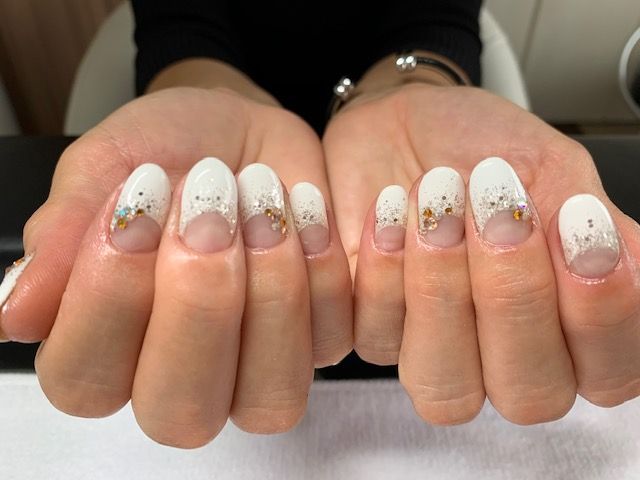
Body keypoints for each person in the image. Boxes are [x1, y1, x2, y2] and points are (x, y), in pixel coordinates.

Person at [0, 0, 638, 449]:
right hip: (215, 102)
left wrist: (412, 87)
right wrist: (215, 92)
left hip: (407, 92)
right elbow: (179, 23)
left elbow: (439, 15)